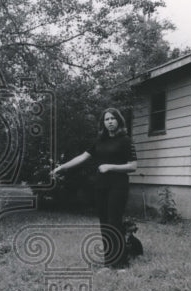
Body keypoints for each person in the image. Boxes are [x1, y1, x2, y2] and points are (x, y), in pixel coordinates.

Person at [51, 108, 138, 269]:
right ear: (103, 123)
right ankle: (108, 262)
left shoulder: (126, 140)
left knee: (114, 222)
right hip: (101, 186)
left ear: (119, 121)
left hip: (118, 186)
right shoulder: (99, 141)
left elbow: (133, 166)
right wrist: (61, 167)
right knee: (104, 224)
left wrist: (110, 167)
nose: (110, 121)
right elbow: (82, 157)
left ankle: (121, 264)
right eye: (107, 119)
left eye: (113, 118)